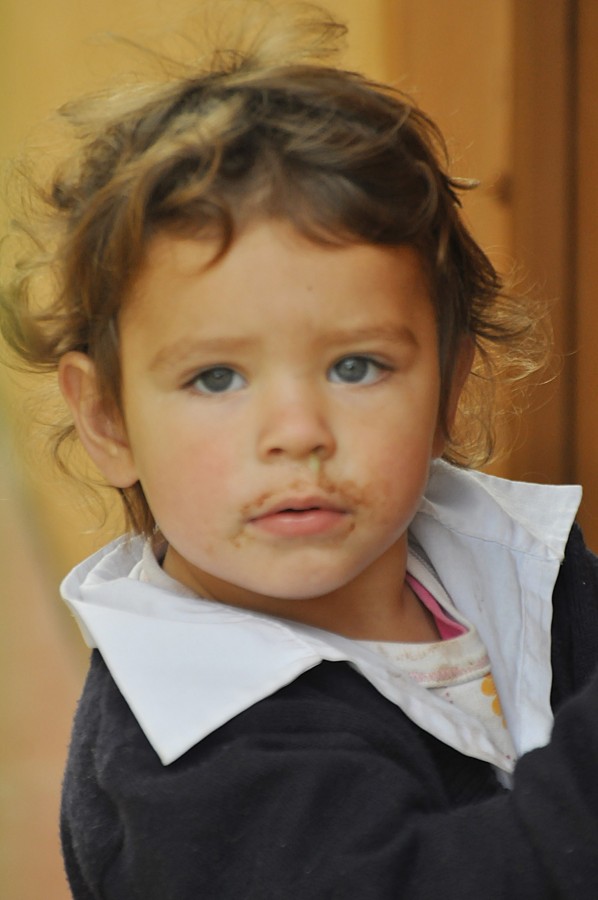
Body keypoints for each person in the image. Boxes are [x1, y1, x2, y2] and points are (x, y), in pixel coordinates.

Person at [2, 3, 598, 897]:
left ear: (449, 384)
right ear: (109, 420)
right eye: (216, 379)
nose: (298, 432)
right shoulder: (197, 760)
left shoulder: (507, 565)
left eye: (356, 365)